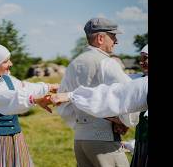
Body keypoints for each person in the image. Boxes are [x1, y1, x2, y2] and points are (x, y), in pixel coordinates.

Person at [56, 17, 139, 167]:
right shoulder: (106, 62)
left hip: (80, 140)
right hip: (104, 141)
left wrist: (82, 124)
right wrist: (123, 121)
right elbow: (129, 95)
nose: (116, 41)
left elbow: (63, 104)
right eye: (113, 36)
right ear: (101, 38)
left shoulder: (74, 63)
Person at [0, 44, 58, 166]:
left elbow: (25, 87)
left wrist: (49, 87)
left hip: (17, 139)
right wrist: (34, 99)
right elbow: (7, 98)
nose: (10, 64)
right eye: (6, 61)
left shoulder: (6, 79)